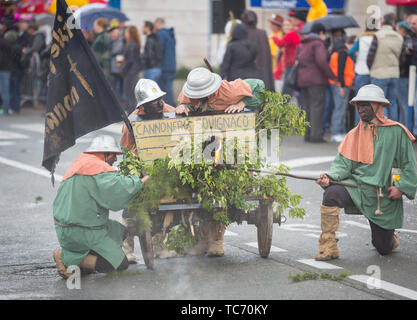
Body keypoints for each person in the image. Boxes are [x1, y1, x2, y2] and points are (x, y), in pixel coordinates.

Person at [315, 84, 417, 261]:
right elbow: (342, 165)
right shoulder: (353, 134)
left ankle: (389, 238)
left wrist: (399, 186)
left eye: (365, 105)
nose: (361, 109)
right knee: (331, 194)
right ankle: (328, 247)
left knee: (383, 248)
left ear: (378, 107)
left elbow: (405, 164)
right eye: (358, 105)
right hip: (357, 187)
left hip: (382, 194)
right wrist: (329, 177)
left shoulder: (397, 132)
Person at [174, 68, 265, 257]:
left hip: (229, 142)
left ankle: (216, 240)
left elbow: (259, 86)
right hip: (202, 142)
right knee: (197, 187)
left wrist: (243, 102)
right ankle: (202, 239)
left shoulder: (229, 90)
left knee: (221, 186)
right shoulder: (190, 92)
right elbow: (183, 102)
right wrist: (183, 106)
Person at [52, 135, 149, 279]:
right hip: (81, 229)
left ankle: (79, 259)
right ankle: (68, 259)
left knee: (120, 232)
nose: (115, 159)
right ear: (105, 154)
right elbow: (118, 193)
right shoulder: (97, 168)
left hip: (72, 226)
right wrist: (142, 180)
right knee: (119, 265)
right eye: (114, 155)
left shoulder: (83, 162)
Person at [120, 79, 177, 262]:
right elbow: (128, 154)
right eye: (154, 102)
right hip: (142, 167)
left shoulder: (170, 112)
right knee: (132, 200)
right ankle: (126, 248)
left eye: (160, 99)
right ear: (143, 106)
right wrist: (142, 174)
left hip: (167, 168)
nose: (160, 104)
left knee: (174, 201)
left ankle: (159, 244)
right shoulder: (131, 123)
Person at [295, 23, 336, 143]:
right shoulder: (318, 44)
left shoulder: (303, 44)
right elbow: (321, 61)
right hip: (316, 80)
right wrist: (332, 76)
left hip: (302, 80)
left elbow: (297, 59)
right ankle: (315, 136)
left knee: (307, 107)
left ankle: (307, 134)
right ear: (321, 33)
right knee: (317, 107)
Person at [367, 13, 403, 122]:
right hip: (394, 74)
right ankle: (392, 128)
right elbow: (402, 57)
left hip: (379, 74)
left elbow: (370, 56)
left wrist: (371, 69)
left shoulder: (378, 35)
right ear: (393, 23)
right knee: (392, 102)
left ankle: (383, 127)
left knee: (379, 104)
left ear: (382, 23)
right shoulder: (399, 37)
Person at [348, 26, 377, 125]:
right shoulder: (378, 38)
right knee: (374, 102)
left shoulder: (361, 39)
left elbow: (350, 52)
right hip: (374, 72)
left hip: (361, 71)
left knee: (360, 102)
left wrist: (356, 61)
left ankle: (360, 126)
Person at [328, 38, 355, 143]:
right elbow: (341, 70)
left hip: (337, 84)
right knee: (340, 110)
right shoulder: (343, 53)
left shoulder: (335, 53)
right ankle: (336, 133)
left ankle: (341, 132)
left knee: (340, 109)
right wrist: (342, 86)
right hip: (342, 84)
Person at [240, 10, 274, 91]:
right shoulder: (262, 33)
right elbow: (267, 55)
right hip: (262, 72)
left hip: (245, 75)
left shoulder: (241, 34)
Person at [272, 17, 301, 96]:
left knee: (287, 89)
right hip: (291, 64)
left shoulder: (291, 34)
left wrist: (273, 37)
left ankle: (283, 106)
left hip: (292, 65)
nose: (286, 27)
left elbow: (280, 43)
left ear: (291, 26)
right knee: (290, 89)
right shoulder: (291, 34)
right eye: (284, 25)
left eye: (288, 25)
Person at [154, 17, 176, 106]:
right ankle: (171, 106)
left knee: (164, 89)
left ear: (157, 24)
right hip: (171, 65)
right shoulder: (170, 34)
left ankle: (167, 108)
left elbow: (159, 51)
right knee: (168, 88)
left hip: (164, 66)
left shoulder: (161, 34)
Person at [121, 25, 142, 115]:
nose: (125, 34)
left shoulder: (131, 45)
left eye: (126, 32)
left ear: (130, 34)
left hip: (130, 72)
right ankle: (132, 113)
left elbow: (130, 60)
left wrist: (123, 69)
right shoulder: (135, 44)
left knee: (129, 94)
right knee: (132, 94)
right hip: (134, 72)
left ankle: (131, 114)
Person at [396, 21, 413, 126]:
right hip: (406, 74)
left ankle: (405, 127)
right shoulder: (409, 39)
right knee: (403, 104)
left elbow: (403, 59)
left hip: (402, 75)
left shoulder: (404, 40)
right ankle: (403, 126)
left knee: (403, 104)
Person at [108, 19, 125, 103]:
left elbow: (114, 51)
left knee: (119, 88)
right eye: (112, 33)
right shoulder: (111, 41)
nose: (112, 35)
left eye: (114, 33)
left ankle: (120, 103)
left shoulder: (120, 41)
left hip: (118, 69)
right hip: (113, 69)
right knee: (114, 88)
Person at [267, 13, 284, 87]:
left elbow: (274, 53)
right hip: (271, 67)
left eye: (272, 23)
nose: (270, 25)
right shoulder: (272, 34)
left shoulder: (281, 36)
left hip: (278, 68)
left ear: (277, 26)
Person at [0, 28, 12, 116]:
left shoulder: (2, 42)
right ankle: (5, 109)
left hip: (3, 68)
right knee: (5, 90)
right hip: (6, 68)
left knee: (4, 90)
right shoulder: (6, 41)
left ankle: (5, 109)